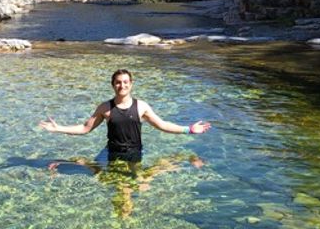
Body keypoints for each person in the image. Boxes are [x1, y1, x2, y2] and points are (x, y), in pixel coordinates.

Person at [39, 68, 211, 163]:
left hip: (134, 153)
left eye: (125, 82)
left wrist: (188, 129)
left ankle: (180, 161)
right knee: (99, 175)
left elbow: (163, 125)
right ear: (113, 85)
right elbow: (85, 128)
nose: (122, 85)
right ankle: (69, 162)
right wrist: (58, 128)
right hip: (112, 152)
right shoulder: (105, 108)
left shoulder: (141, 106)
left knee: (134, 184)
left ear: (131, 84)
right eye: (118, 82)